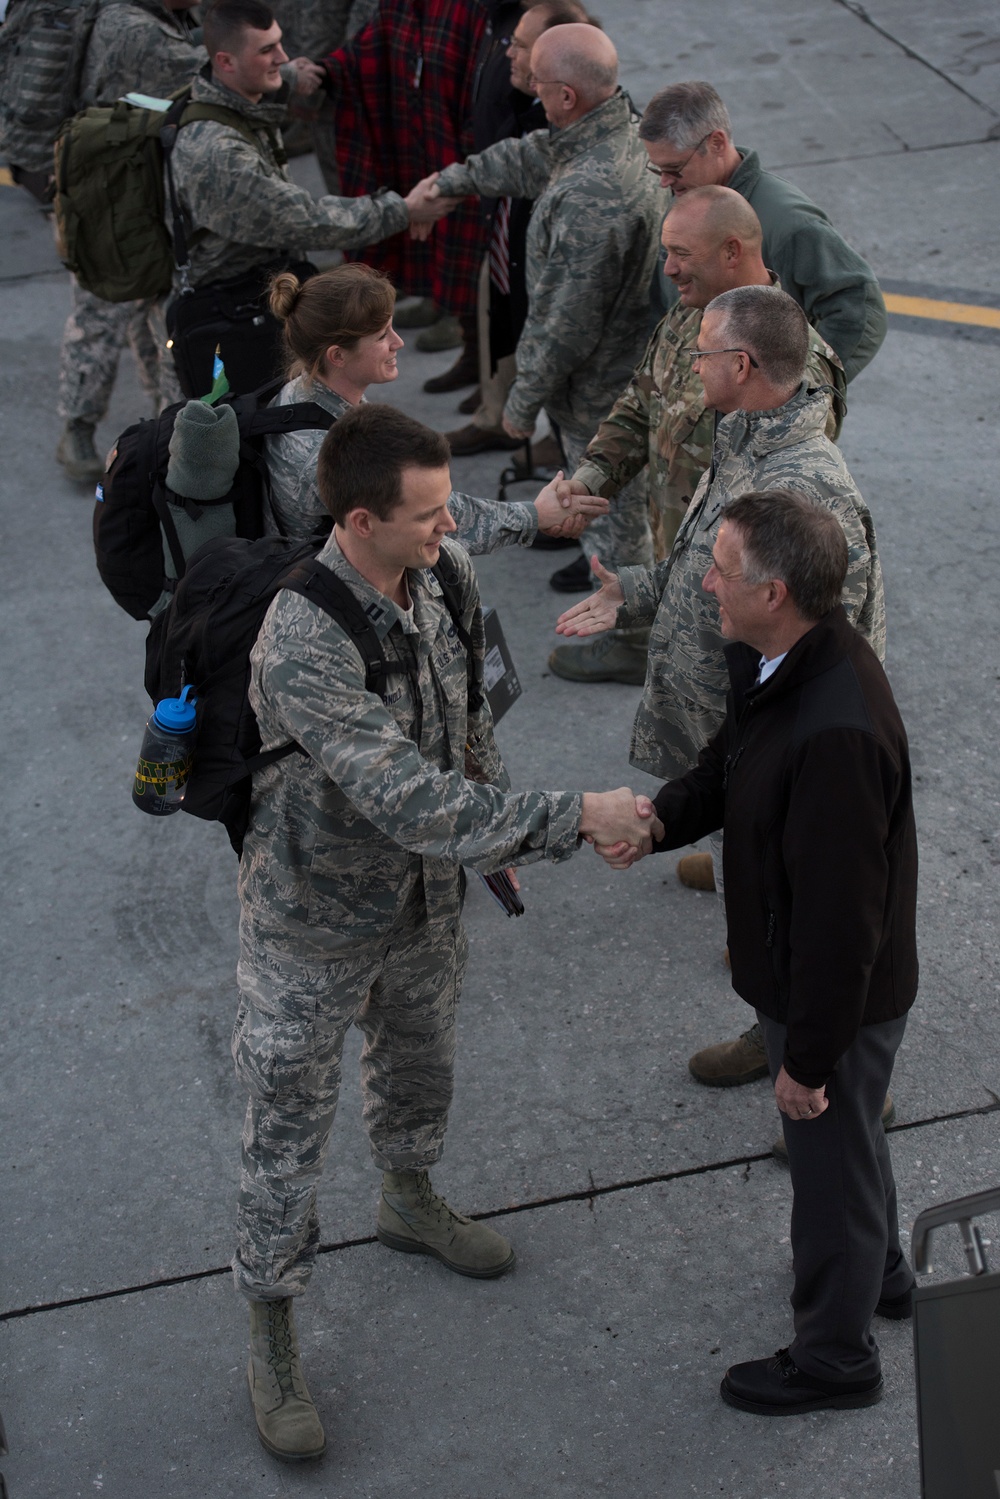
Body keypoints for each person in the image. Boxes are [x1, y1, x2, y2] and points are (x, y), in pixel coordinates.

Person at [234, 400, 661, 1461]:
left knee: (420, 1065)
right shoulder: (300, 636)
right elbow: (405, 797)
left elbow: (468, 716)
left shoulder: (440, 571)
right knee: (286, 1125)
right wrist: (572, 816)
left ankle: (408, 1194)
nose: (448, 527)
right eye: (427, 514)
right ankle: (274, 1325)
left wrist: (497, 823)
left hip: (424, 897)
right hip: (313, 919)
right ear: (362, 516)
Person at [628, 489, 917, 1415]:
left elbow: (843, 923)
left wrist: (807, 1057)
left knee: (825, 1160)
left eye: (724, 570)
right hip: (822, 980)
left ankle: (836, 1356)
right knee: (854, 1135)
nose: (709, 582)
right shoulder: (783, 660)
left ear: (777, 590)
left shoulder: (834, 728)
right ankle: (887, 1275)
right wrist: (662, 815)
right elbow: (729, 760)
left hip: (833, 994)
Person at [555, 284, 885, 1085]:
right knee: (759, 877)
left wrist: (782, 759)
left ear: (741, 363)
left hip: (790, 737)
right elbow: (708, 553)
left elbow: (834, 645)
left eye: (702, 352)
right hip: (740, 717)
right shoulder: (744, 431)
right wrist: (632, 589)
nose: (691, 363)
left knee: (811, 901)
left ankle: (833, 1073)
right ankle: (774, 1017)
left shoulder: (807, 487)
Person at [545, 184, 845, 686]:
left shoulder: (794, 366)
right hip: (684, 573)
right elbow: (641, 402)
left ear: (732, 252)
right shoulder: (692, 318)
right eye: (666, 252)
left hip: (740, 597)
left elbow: (785, 523)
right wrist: (590, 482)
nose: (667, 268)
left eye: (681, 254)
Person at [433, 23, 664, 594]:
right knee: (619, 504)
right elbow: (533, 158)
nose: (528, 90)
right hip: (624, 370)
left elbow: (564, 323)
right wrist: (451, 182)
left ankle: (629, 633)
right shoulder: (615, 135)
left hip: (601, 386)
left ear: (567, 97)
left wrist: (521, 402)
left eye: (537, 83)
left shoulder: (590, 195)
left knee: (617, 517)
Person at [166, 0, 452, 378]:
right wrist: (402, 210)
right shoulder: (217, 151)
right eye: (267, 51)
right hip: (233, 319)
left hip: (253, 300)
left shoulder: (236, 104)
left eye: (280, 44)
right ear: (226, 62)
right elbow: (301, 219)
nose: (282, 58)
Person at [262, 264, 609, 545]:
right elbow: (427, 517)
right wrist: (534, 516)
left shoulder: (297, 394)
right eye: (382, 336)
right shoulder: (324, 451)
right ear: (337, 356)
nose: (398, 342)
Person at [639, 81, 887, 383]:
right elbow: (662, 309)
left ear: (717, 143)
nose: (664, 182)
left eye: (674, 169)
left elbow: (859, 308)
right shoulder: (684, 201)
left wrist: (800, 391)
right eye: (658, 171)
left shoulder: (788, 223)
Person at [56, 0, 206, 482]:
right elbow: (219, 78)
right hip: (111, 195)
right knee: (102, 312)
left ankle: (157, 432)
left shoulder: (157, 17)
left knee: (154, 321)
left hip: (141, 188)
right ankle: (78, 430)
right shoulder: (137, 28)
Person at [445, 0, 593, 458]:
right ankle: (500, 415)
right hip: (504, 229)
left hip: (534, 250)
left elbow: (565, 320)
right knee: (503, 317)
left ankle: (557, 437)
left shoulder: (572, 131)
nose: (507, 51)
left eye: (520, 45)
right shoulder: (519, 85)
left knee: (540, 329)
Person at [320, 0, 490, 395]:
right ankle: (471, 354)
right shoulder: (399, 6)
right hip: (418, 144)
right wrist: (326, 72)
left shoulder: (472, 10)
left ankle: (491, 374)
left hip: (462, 151)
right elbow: (366, 48)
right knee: (436, 253)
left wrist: (461, 161)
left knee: (476, 266)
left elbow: (485, 83)